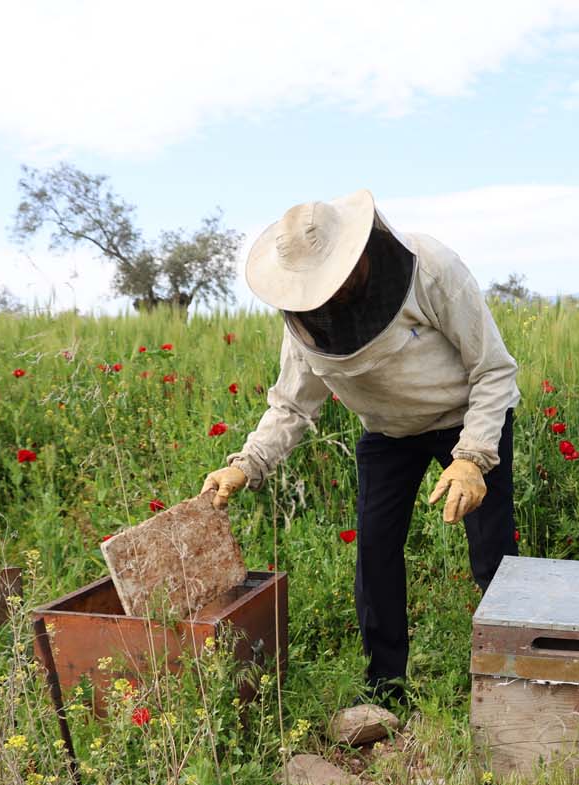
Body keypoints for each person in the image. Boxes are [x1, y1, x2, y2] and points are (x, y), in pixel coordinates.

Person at [201, 189, 520, 701]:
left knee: (492, 553)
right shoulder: (305, 321)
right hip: (389, 434)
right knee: (374, 552)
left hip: (467, 421)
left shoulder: (432, 269)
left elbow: (494, 370)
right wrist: (248, 464)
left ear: (356, 255)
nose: (324, 296)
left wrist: (471, 459)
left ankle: (515, 675)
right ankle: (386, 685)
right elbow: (291, 406)